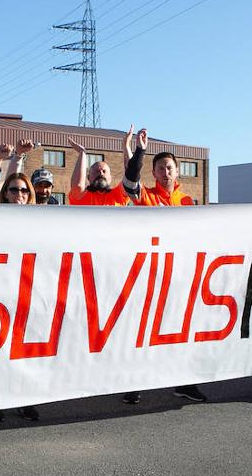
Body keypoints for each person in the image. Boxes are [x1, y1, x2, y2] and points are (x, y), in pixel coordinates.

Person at [123, 136, 209, 404]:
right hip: (148, 277)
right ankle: (132, 383)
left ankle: (185, 383)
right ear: (153, 173)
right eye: (160, 168)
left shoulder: (186, 202)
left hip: (179, 278)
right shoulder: (144, 195)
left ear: (177, 171)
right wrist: (139, 150)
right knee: (142, 333)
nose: (165, 172)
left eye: (169, 167)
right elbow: (129, 182)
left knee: (182, 333)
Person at [0, 172, 43, 422]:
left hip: (30, 291)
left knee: (26, 352)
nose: (19, 194)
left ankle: (24, 400)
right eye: (13, 190)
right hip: (2, 291)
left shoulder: (41, 219)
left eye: (23, 191)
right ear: (5, 194)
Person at [67, 127, 144, 206]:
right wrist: (82, 153)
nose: (101, 173)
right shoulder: (81, 195)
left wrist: (126, 146)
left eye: (104, 171)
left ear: (110, 178)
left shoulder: (117, 196)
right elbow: (78, 186)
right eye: (96, 171)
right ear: (88, 178)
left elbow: (131, 178)